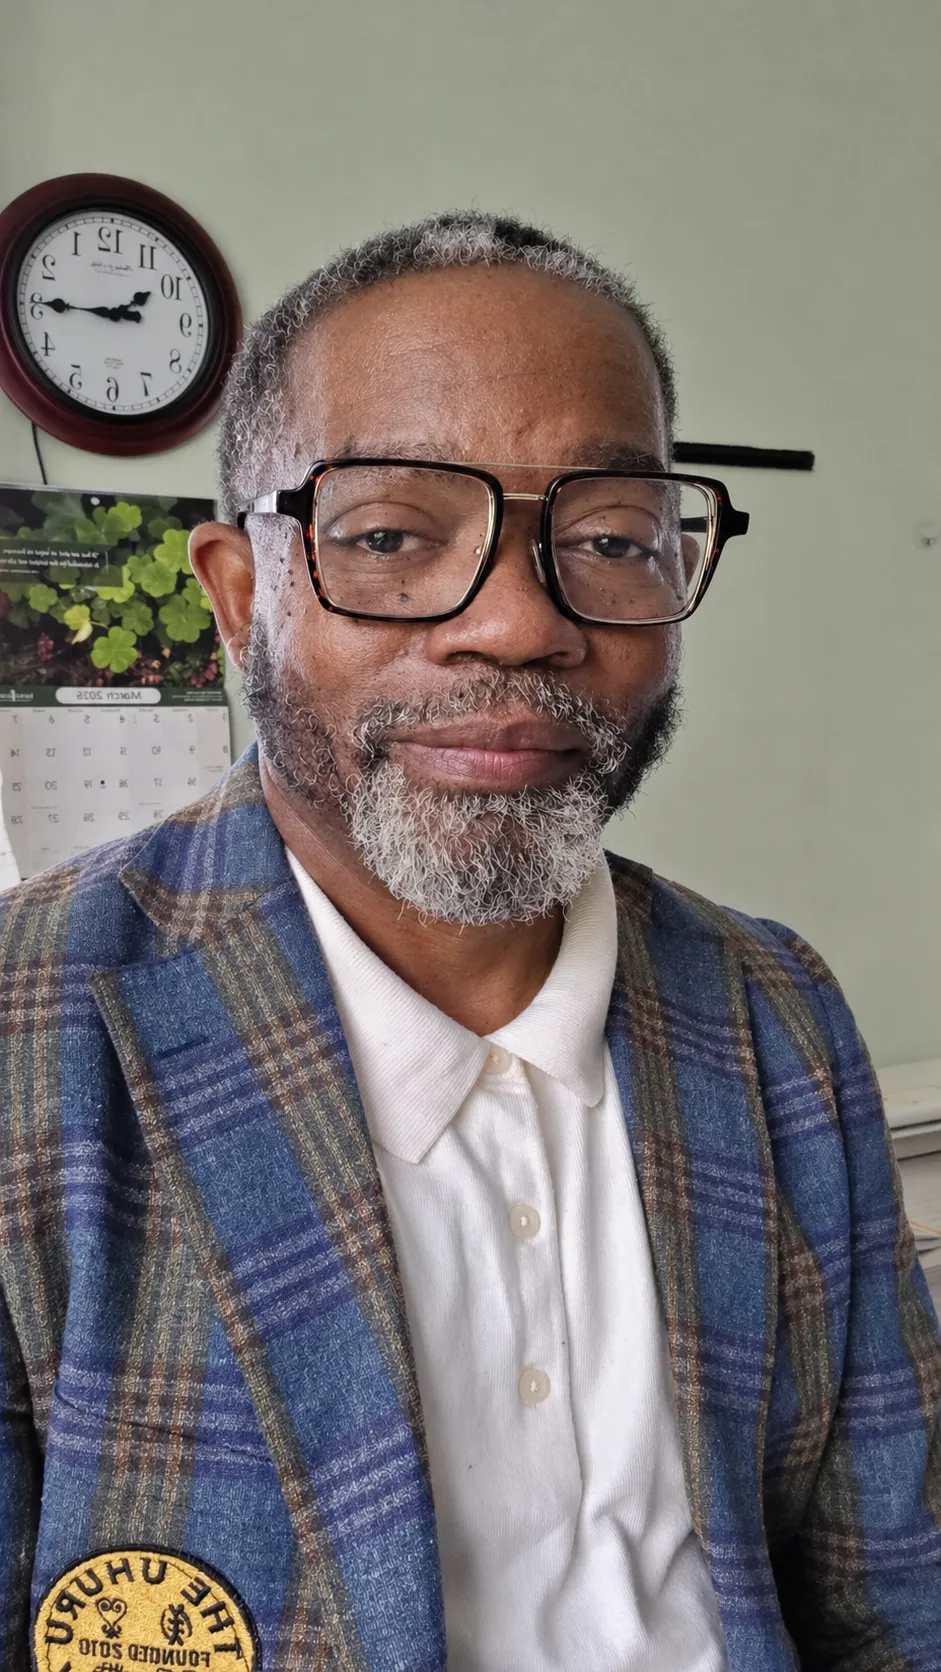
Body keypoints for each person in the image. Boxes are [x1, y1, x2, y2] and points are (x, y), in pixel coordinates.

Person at [1, 213, 939, 1672]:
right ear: (242, 595)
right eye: (389, 535)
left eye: (612, 538)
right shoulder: (30, 1030)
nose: (516, 624)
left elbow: (900, 1597)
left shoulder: (771, 1014)